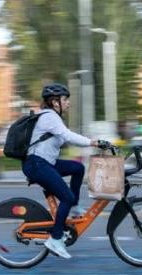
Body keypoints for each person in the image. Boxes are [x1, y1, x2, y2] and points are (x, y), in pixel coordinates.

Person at [23, 83, 105, 260]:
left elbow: (68, 138)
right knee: (65, 197)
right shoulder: (49, 117)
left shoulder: (52, 118)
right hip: (38, 165)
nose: (68, 103)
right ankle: (56, 238)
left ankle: (73, 207)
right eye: (65, 99)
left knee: (77, 168)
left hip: (45, 163)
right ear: (54, 102)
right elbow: (68, 136)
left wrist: (91, 145)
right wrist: (93, 142)